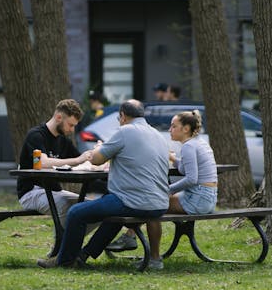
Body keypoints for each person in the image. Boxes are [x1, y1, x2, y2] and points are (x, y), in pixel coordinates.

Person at [37, 99, 170, 269]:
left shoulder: (125, 131)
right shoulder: (157, 134)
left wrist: (98, 149)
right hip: (159, 203)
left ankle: (64, 261)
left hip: (132, 201)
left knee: (76, 212)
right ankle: (83, 256)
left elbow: (98, 160)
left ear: (122, 116)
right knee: (112, 217)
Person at [147, 109, 218, 269]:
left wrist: (168, 189)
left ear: (185, 129)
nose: (170, 130)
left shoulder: (189, 146)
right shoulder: (198, 142)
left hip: (198, 198)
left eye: (173, 126)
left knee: (151, 205)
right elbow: (187, 169)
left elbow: (192, 179)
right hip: (208, 197)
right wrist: (173, 158)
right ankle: (136, 240)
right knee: (154, 202)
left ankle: (153, 257)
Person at [17, 99, 92, 225]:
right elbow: (42, 163)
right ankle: (64, 242)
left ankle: (68, 242)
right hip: (31, 192)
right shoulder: (36, 135)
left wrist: (98, 157)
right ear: (58, 117)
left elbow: (83, 162)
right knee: (64, 205)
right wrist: (78, 160)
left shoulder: (63, 141)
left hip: (55, 192)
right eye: (71, 125)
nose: (72, 130)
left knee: (93, 208)